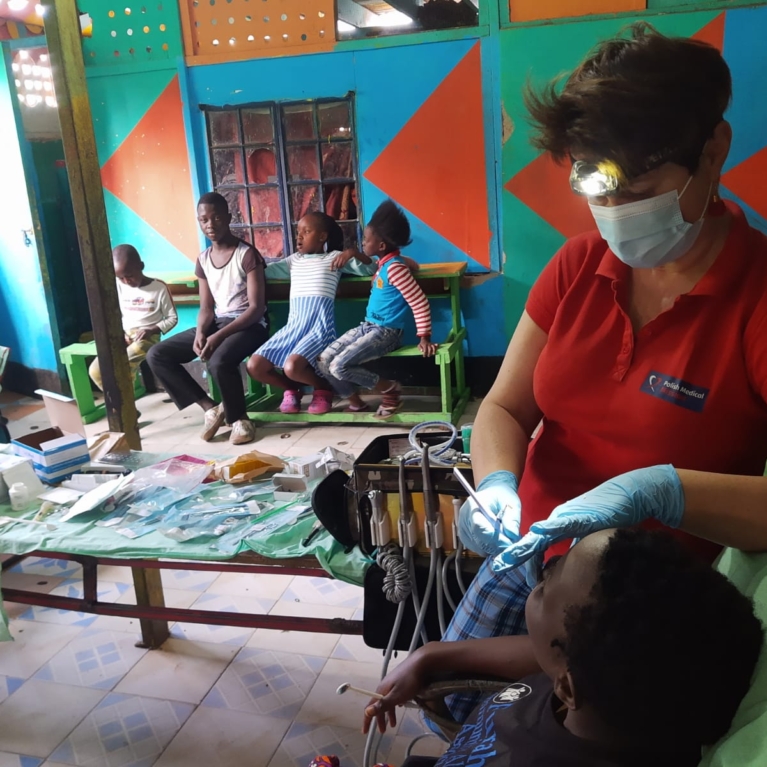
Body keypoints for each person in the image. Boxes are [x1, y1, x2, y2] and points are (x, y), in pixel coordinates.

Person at [448, 23, 767, 724]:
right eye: (600, 194)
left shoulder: (757, 298)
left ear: (714, 149)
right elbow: (504, 408)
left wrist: (663, 492)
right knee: (454, 702)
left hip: (641, 615)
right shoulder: (577, 267)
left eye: (642, 190)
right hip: (535, 553)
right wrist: (498, 484)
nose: (617, 219)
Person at [364, 529, 764, 767]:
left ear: (568, 687)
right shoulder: (614, 692)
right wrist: (432, 654)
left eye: (544, 588)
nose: (546, 566)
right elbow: (545, 656)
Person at [146, 192, 268, 445]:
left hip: (249, 325)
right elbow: (206, 307)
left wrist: (218, 336)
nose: (210, 224)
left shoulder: (247, 254)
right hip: (217, 323)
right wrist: (201, 331)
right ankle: (210, 407)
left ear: (229, 218)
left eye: (217, 218)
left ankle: (240, 419)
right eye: (204, 220)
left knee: (218, 361)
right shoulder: (203, 260)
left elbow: (256, 308)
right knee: (157, 354)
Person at [317, 200, 438, 418]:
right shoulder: (385, 264)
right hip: (369, 326)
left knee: (338, 366)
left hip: (386, 332)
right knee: (324, 361)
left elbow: (419, 301)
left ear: (381, 246)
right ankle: (356, 402)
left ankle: (389, 389)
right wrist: (352, 253)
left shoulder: (395, 268)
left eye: (366, 239)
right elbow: (400, 263)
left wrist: (424, 337)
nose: (362, 242)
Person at [246, 212, 375, 415]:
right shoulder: (293, 261)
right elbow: (261, 273)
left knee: (291, 367)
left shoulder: (335, 258)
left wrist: (352, 253)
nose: (299, 236)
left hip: (319, 329)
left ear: (322, 236)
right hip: (293, 327)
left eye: (306, 231)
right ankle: (292, 389)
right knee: (255, 366)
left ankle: (323, 388)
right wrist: (246, 258)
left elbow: (371, 269)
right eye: (298, 232)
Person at [88, 244, 177, 391]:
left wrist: (151, 330)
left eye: (129, 276)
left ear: (141, 266)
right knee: (96, 371)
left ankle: (125, 400)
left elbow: (172, 318)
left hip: (148, 338)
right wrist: (121, 334)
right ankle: (120, 401)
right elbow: (115, 314)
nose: (126, 281)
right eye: (120, 278)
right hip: (124, 335)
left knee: (123, 367)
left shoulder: (159, 288)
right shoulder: (118, 286)